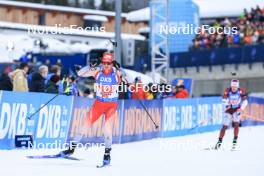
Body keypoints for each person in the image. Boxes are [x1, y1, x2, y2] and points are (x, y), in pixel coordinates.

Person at [61, 52, 121, 166]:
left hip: (111, 106)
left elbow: (120, 80)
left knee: (107, 131)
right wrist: (90, 66)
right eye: (104, 63)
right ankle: (71, 148)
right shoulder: (97, 71)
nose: (106, 65)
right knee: (84, 127)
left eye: (108, 63)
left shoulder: (115, 73)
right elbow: (80, 73)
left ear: (112, 63)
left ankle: (107, 154)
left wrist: (119, 69)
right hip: (98, 104)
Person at [215, 79, 248, 150]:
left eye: (235, 87)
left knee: (236, 124)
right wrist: (227, 105)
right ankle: (219, 143)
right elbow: (224, 100)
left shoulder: (240, 90)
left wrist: (241, 108)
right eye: (232, 87)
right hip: (229, 109)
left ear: (237, 87)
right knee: (224, 126)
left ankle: (234, 142)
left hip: (237, 109)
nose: (233, 88)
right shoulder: (227, 90)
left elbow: (245, 101)